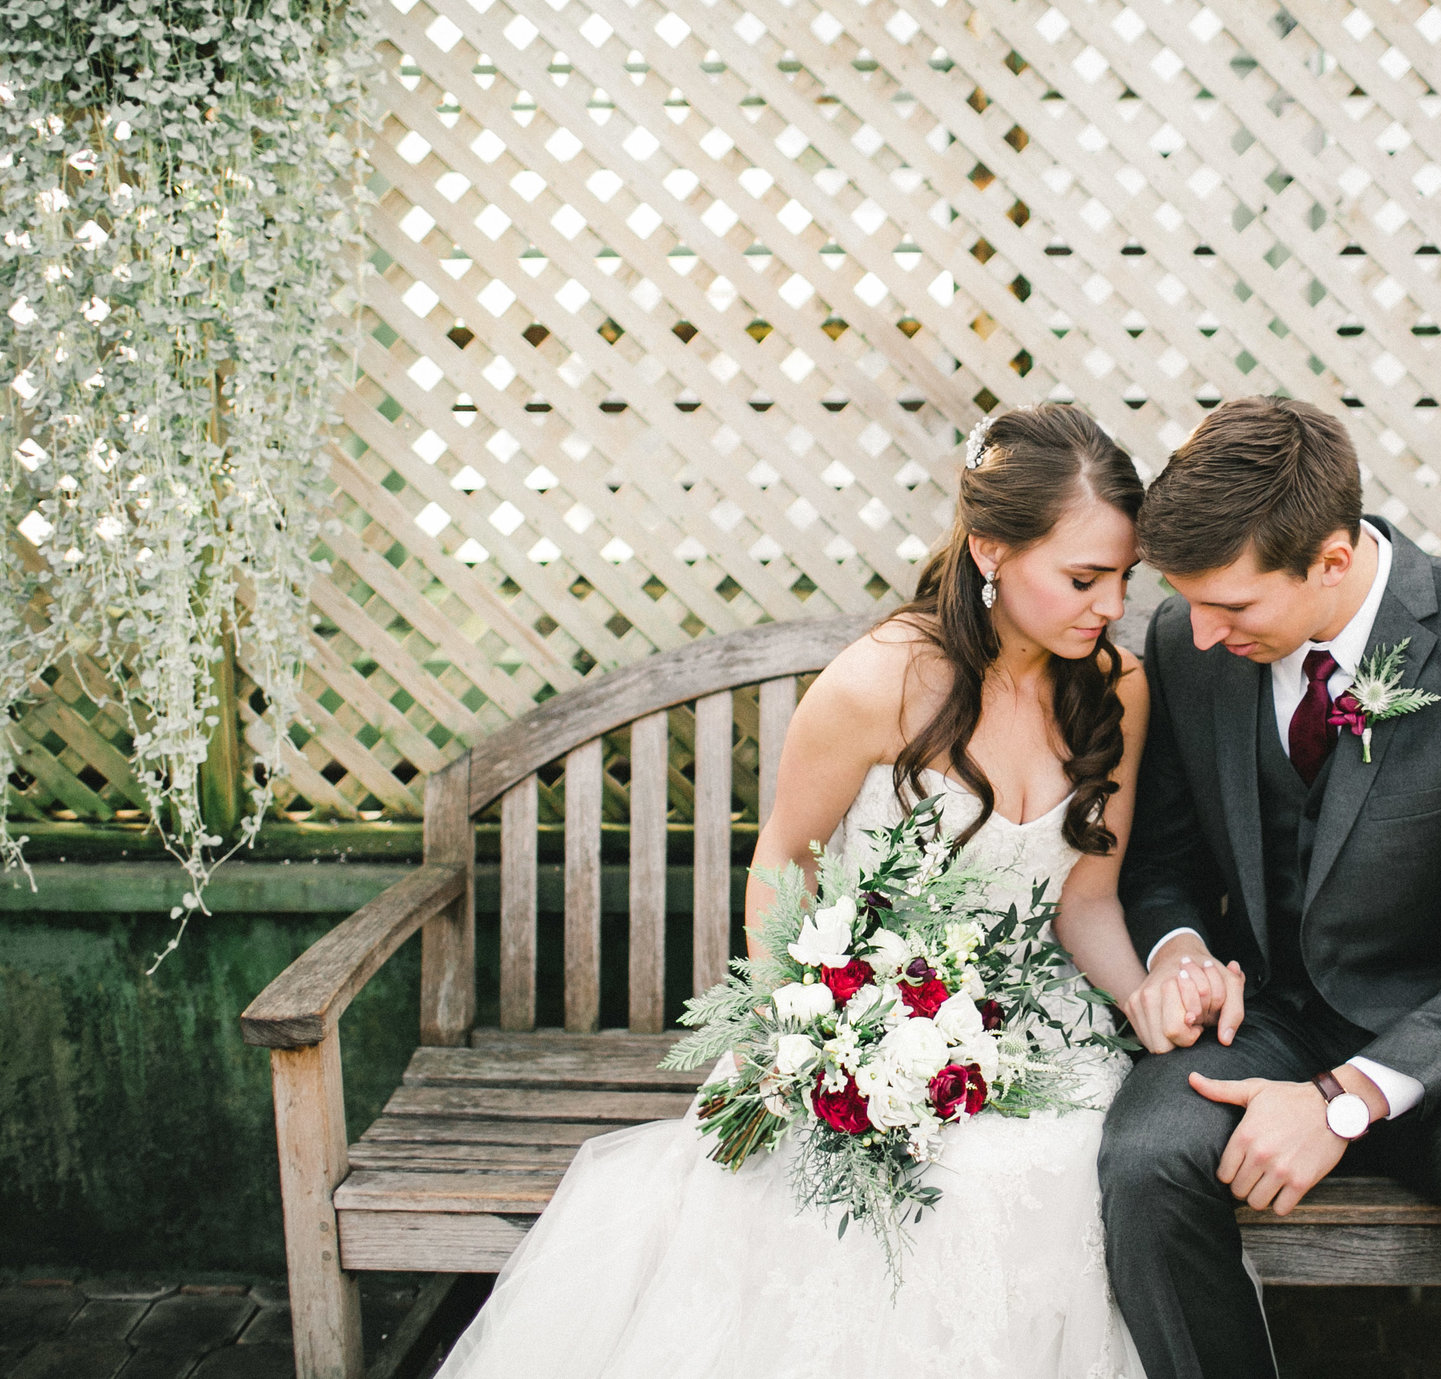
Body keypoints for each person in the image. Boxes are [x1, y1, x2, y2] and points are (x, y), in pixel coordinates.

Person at [436, 403, 1152, 1379]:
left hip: (1045, 1034)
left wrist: (1146, 997)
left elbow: (1086, 902)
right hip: (868, 1019)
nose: (1109, 604)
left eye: (1123, 576)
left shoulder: (1116, 689)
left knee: (1046, 1169)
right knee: (904, 1183)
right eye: (1084, 577)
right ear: (990, 548)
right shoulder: (879, 680)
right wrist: (806, 1035)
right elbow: (786, 858)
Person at [1101, 396, 1441, 1379]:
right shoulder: (1184, 643)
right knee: (1143, 1158)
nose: (1199, 632)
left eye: (1232, 606)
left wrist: (1342, 1100)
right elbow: (1161, 864)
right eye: (1188, 600)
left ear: (1332, 558)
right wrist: (1180, 952)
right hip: (1274, 1014)